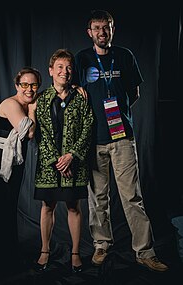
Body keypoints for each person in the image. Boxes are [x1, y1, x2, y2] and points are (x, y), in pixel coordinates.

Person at [72, 9, 169, 272]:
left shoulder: (125, 56)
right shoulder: (81, 59)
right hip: (93, 139)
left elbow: (134, 92)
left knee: (132, 197)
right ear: (89, 32)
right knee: (98, 197)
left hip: (122, 137)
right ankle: (102, 244)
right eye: (97, 28)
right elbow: (77, 95)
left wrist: (119, 114)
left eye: (107, 27)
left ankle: (144, 251)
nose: (102, 32)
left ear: (113, 29)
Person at [33, 48, 94, 273]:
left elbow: (88, 128)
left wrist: (71, 157)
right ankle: (45, 250)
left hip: (74, 165)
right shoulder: (41, 99)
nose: (65, 72)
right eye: (60, 67)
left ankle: (75, 253)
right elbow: (40, 134)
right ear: (51, 71)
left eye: (69, 68)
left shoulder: (81, 97)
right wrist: (56, 161)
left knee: (73, 207)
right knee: (47, 206)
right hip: (49, 166)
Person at [0, 66, 42, 281]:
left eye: (33, 84)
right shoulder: (11, 104)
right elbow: (29, 132)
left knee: (7, 212)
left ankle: (7, 258)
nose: (29, 89)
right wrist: (32, 110)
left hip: (14, 164)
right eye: (24, 84)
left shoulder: (25, 102)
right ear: (17, 85)